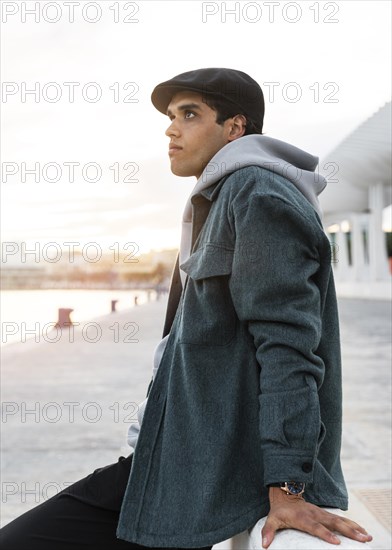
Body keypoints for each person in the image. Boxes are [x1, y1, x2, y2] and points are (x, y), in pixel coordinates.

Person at [0, 68, 373, 550]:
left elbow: (289, 347)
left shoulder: (256, 193)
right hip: (177, 458)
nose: (171, 130)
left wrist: (289, 489)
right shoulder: (220, 197)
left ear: (235, 127)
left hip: (207, 472)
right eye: (172, 117)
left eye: (190, 114)